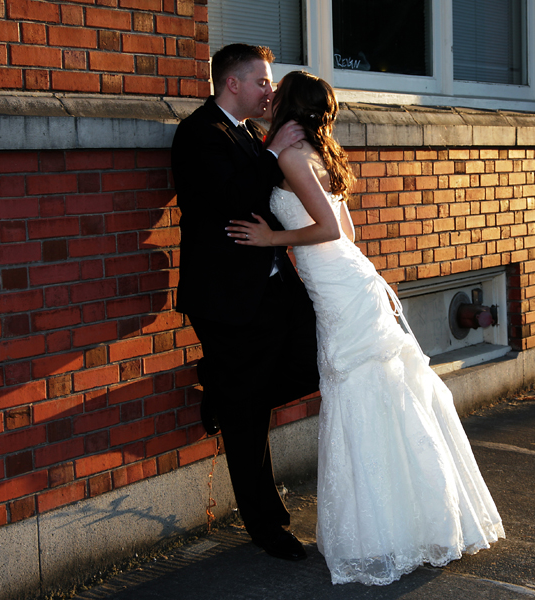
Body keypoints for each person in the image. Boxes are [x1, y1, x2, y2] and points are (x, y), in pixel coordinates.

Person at [226, 71, 505, 586]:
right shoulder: (318, 153)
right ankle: (415, 519)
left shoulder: (291, 156)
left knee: (359, 390)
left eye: (277, 92)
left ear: (289, 104)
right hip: (350, 279)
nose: (270, 97)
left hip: (338, 289)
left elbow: (330, 229)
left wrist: (271, 240)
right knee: (382, 392)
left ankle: (385, 530)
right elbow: (348, 233)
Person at [170, 45, 320, 562]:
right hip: (226, 300)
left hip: (275, 288)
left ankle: (222, 390)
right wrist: (274, 151)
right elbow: (234, 199)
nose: (269, 91)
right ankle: (265, 525)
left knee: (317, 361)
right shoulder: (198, 134)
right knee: (248, 418)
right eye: (262, 82)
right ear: (232, 83)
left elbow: (273, 198)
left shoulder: (252, 134)